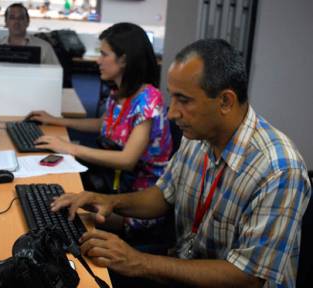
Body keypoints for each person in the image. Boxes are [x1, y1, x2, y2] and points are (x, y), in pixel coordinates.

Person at [50, 39, 312, 287]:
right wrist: (110, 201)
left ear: (225, 101)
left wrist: (138, 262)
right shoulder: (198, 135)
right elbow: (163, 195)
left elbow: (247, 277)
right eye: (172, 97)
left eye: (183, 100)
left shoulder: (279, 169)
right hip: (185, 266)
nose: (172, 113)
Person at [28, 22, 173, 244]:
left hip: (136, 204)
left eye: (104, 54)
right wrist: (55, 120)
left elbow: (127, 160)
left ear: (124, 59)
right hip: (111, 183)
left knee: (61, 216)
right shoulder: (121, 92)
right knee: (55, 203)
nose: (98, 60)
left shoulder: (148, 99)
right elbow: (105, 124)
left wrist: (70, 147)